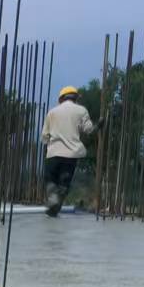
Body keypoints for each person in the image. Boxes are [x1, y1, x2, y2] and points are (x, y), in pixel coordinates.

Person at [39, 86, 94, 216]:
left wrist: (48, 145)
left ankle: (53, 199)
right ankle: (57, 205)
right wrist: (98, 126)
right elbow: (89, 129)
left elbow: (44, 137)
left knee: (50, 179)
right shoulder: (82, 110)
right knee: (64, 182)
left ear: (61, 99)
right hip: (71, 154)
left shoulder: (52, 112)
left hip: (54, 153)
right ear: (75, 98)